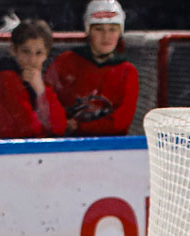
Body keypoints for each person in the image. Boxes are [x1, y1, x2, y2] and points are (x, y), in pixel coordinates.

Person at [45, 0, 138, 136]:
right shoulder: (65, 61)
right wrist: (62, 122)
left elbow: (120, 122)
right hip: (65, 141)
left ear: (120, 33)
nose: (106, 36)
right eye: (99, 29)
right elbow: (45, 98)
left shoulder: (128, 72)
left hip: (110, 145)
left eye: (112, 29)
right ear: (88, 31)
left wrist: (79, 126)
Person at [0, 18, 67, 139]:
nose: (32, 60)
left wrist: (41, 90)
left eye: (39, 53)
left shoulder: (40, 80)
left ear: (46, 54)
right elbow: (28, 130)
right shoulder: (4, 78)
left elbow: (59, 127)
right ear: (13, 50)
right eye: (26, 52)